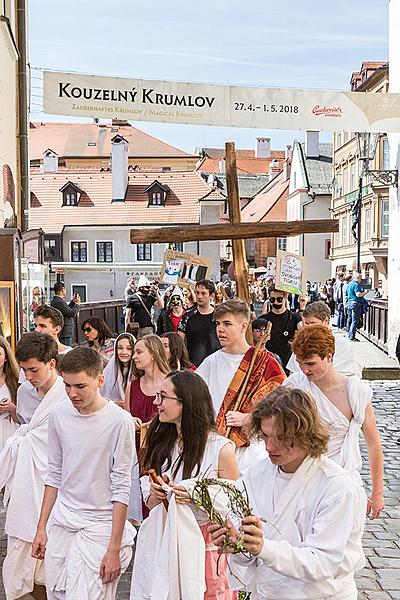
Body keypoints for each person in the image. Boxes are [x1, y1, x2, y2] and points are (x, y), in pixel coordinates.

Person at [209, 386, 366, 600]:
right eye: (265, 436)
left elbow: (322, 561)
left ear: (305, 434)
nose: (270, 447)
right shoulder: (256, 475)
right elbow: (251, 551)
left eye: (282, 438)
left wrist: (263, 547)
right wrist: (237, 542)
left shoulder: (337, 486)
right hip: (268, 592)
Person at [31, 347, 137, 600]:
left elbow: (122, 485)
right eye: (67, 386)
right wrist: (41, 527)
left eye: (80, 386)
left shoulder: (120, 421)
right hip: (63, 522)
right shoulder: (58, 413)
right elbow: (54, 473)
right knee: (57, 594)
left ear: (100, 381)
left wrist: (114, 548)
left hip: (100, 528)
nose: (72, 393)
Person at [131, 370, 238, 599]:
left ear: (186, 401)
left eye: (163, 397)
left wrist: (197, 495)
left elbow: (234, 503)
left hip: (205, 543)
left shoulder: (221, 449)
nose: (156, 402)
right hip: (165, 538)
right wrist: (156, 490)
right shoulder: (162, 443)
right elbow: (150, 502)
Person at [284, 324, 384, 519]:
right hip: (300, 480)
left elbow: (373, 443)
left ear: (329, 356)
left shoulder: (355, 392)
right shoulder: (293, 386)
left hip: (341, 480)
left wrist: (377, 492)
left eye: (311, 364)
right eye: (300, 363)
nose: (305, 370)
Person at [0, 332, 68, 600]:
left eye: (34, 369)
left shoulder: (66, 393)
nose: (28, 376)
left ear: (51, 364)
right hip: (28, 484)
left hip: (56, 486)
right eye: (25, 369)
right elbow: (30, 429)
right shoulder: (27, 391)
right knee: (18, 570)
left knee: (48, 567)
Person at [196, 299, 285, 472]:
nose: (220, 329)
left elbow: (282, 407)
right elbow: (194, 400)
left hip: (254, 451)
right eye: (218, 323)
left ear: (244, 326)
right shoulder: (211, 362)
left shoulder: (265, 362)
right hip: (217, 447)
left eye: (227, 324)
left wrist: (249, 418)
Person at [286, 300, 361, 377]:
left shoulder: (343, 346)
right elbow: (293, 373)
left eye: (312, 323)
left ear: (325, 321)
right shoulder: (302, 344)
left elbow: (350, 376)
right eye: (306, 324)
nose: (309, 328)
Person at [125, 334, 170, 453]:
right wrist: (131, 420)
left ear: (153, 354)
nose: (134, 356)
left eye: (139, 352)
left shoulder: (172, 383)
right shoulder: (132, 386)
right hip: (138, 450)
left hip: (165, 447)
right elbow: (125, 418)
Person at [178, 279, 220, 367]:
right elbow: (179, 341)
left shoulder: (219, 316)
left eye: (203, 293)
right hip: (194, 365)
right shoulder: (187, 316)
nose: (199, 296)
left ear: (211, 295)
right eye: (197, 293)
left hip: (216, 364)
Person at [260, 284, 302, 371]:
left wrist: (303, 307)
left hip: (289, 366)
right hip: (269, 365)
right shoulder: (264, 319)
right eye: (272, 299)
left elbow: (304, 335)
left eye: (279, 299)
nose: (275, 302)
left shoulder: (295, 318)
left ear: (286, 297)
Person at [101, 332, 136, 407]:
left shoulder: (139, 371)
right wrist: (114, 404)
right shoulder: (109, 371)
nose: (124, 352)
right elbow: (101, 395)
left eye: (129, 349)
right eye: (120, 348)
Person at [0, 336, 19, 449]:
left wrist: (11, 408)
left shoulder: (15, 380)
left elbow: (23, 418)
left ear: (6, 357)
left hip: (9, 434)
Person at [50, 281, 80, 346]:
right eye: (65, 289)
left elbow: (67, 310)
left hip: (64, 331)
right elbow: (71, 313)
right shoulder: (59, 302)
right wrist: (77, 304)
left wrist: (73, 302)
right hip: (64, 332)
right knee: (66, 351)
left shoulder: (57, 301)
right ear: (62, 290)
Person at [346, 272, 368, 341]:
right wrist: (365, 292)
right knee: (354, 321)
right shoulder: (356, 284)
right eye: (360, 278)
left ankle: (349, 334)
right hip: (356, 303)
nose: (361, 280)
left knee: (351, 319)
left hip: (350, 303)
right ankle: (352, 336)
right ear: (358, 278)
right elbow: (358, 294)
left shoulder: (349, 284)